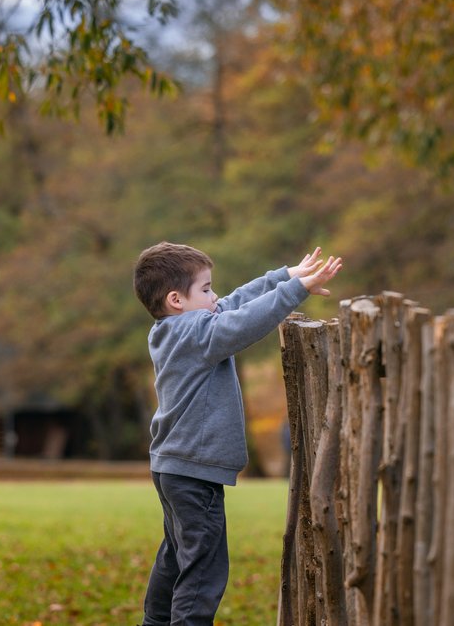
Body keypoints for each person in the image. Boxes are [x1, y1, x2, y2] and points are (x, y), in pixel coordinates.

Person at [133, 242, 342, 626]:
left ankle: (155, 621)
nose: (215, 296)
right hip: (195, 473)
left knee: (177, 554)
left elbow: (232, 306)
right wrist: (294, 291)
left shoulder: (171, 330)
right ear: (177, 299)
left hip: (173, 468)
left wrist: (283, 277)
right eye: (207, 289)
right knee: (204, 567)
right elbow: (243, 322)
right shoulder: (198, 333)